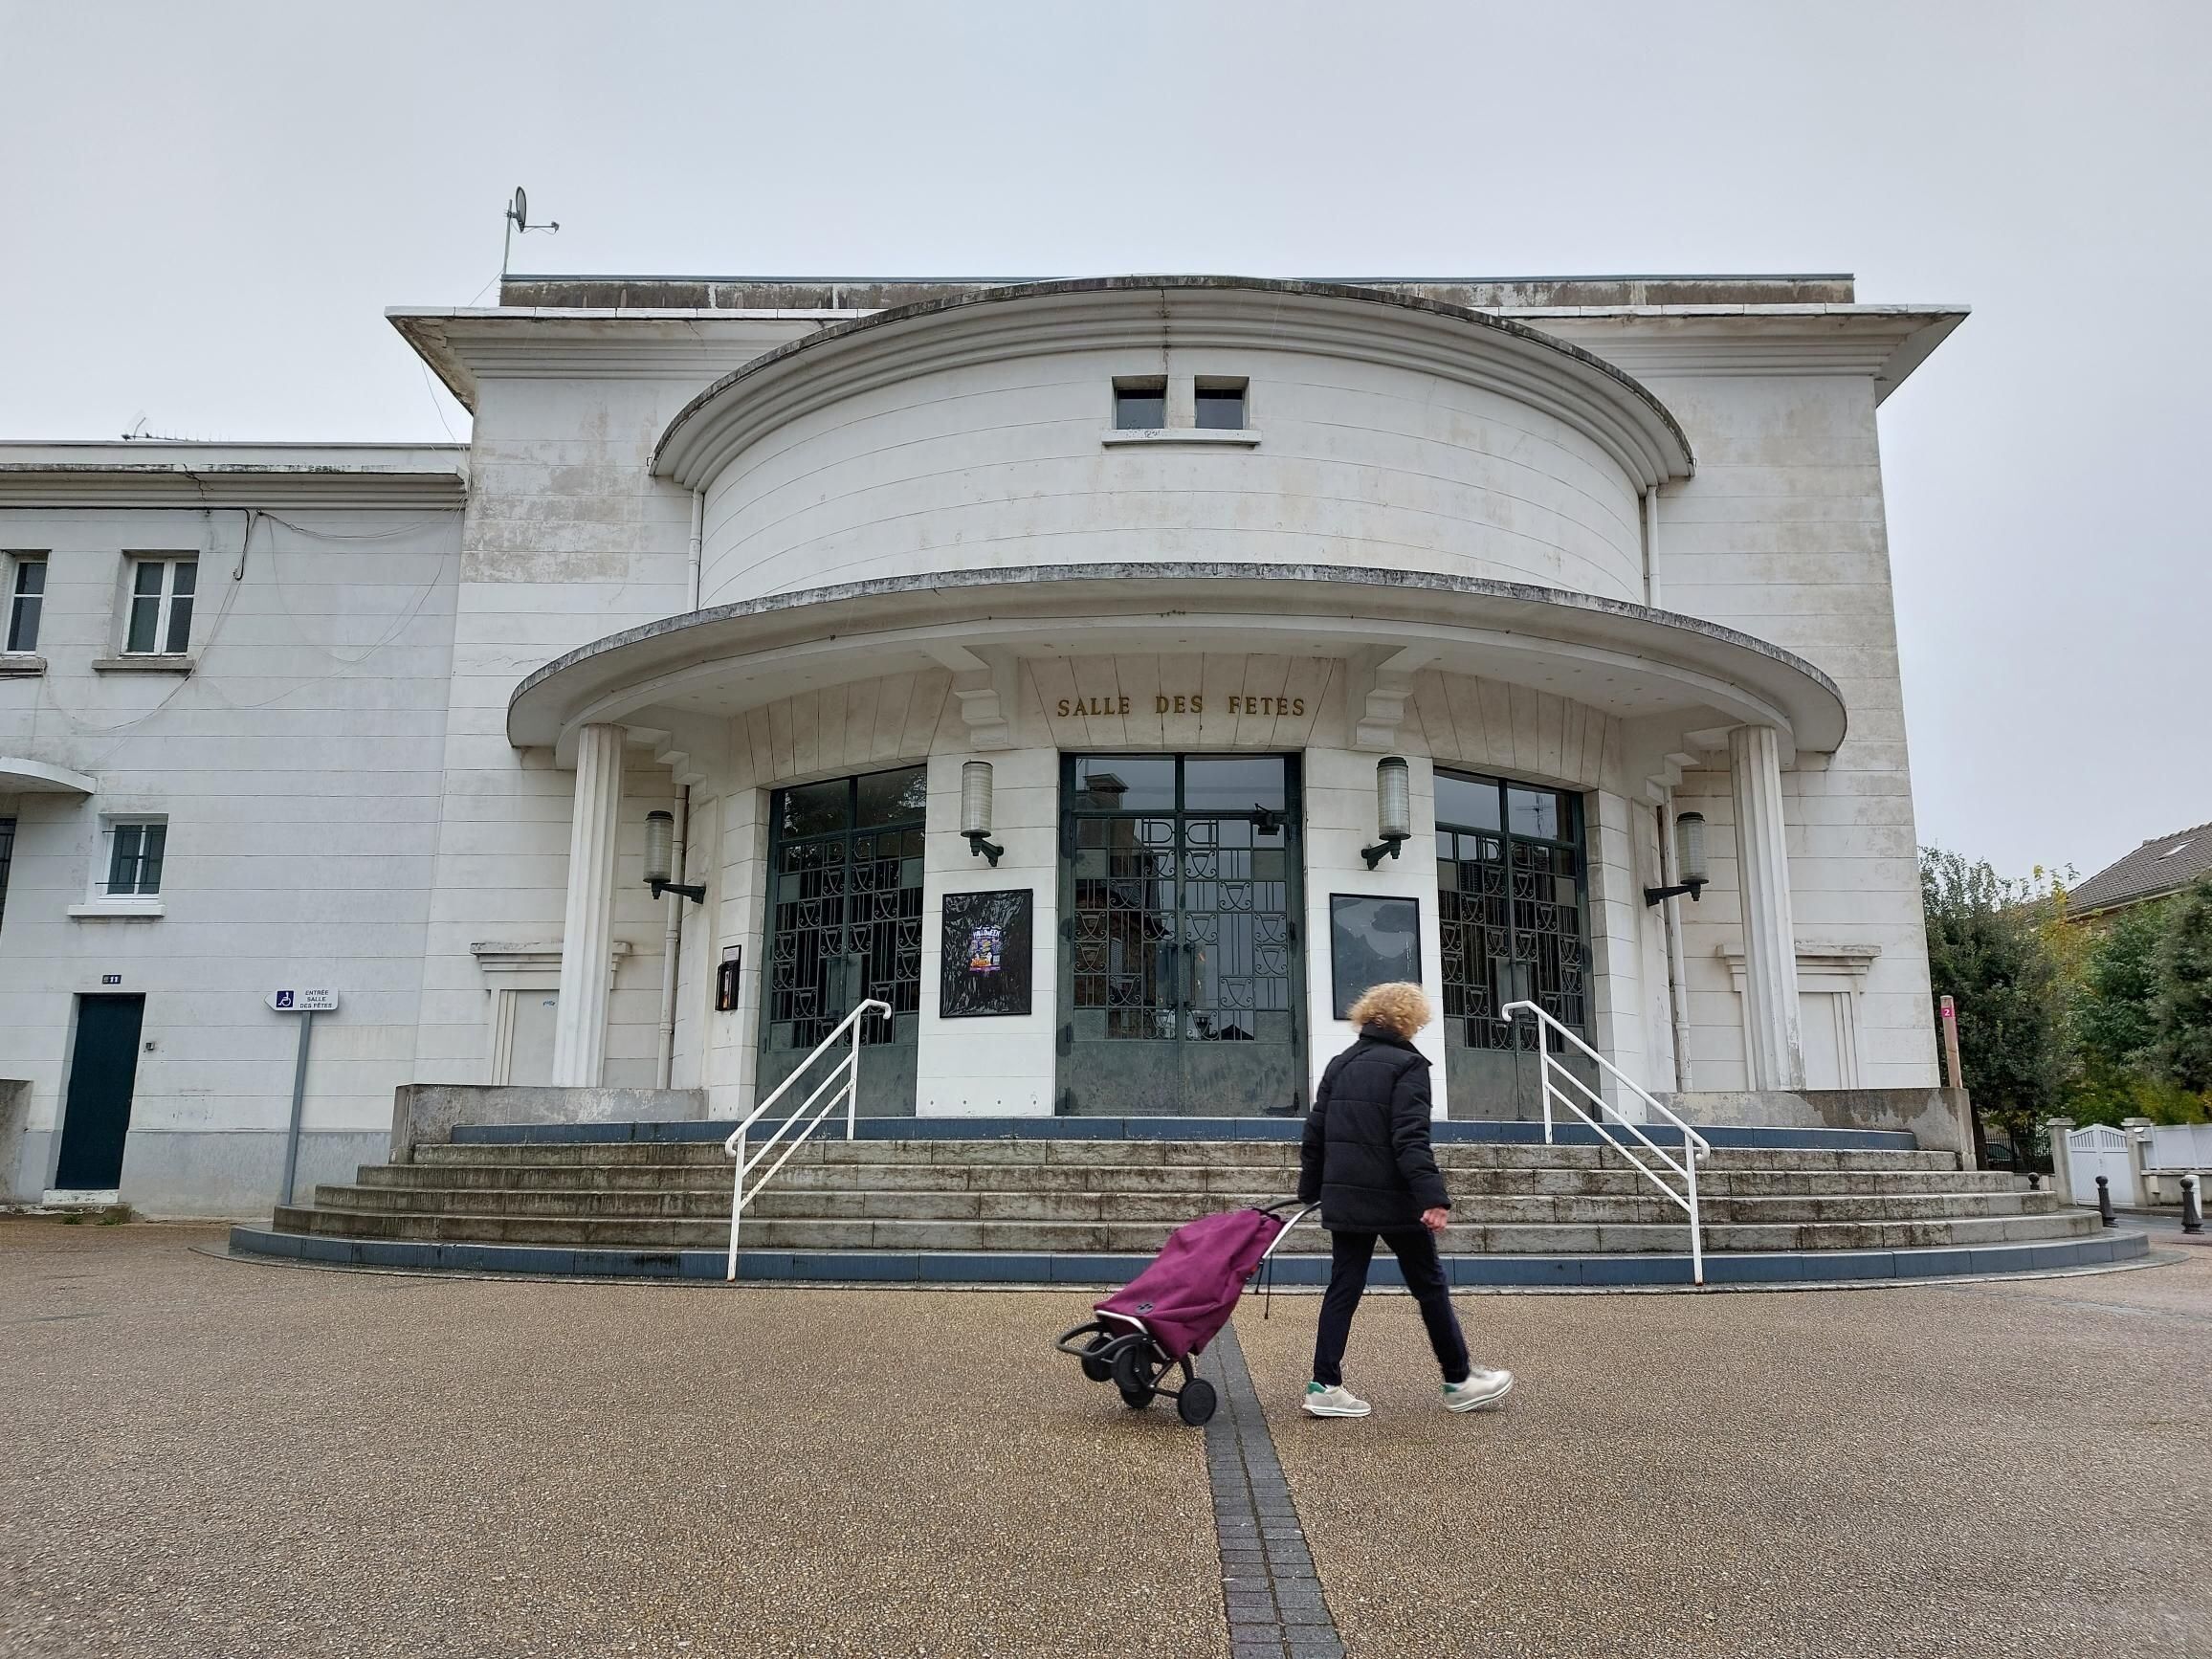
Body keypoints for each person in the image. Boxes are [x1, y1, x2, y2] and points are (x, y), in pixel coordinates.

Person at [1294, 981, 1514, 1418]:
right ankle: (1459, 1379)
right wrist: (1432, 1198)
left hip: (1348, 1197)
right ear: (1410, 1020)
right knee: (1429, 1285)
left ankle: (1324, 1384)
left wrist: (1312, 1191)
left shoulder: (1340, 1064)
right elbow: (1410, 1138)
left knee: (1343, 1286)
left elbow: (1314, 1134)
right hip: (1395, 1200)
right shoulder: (1408, 1066)